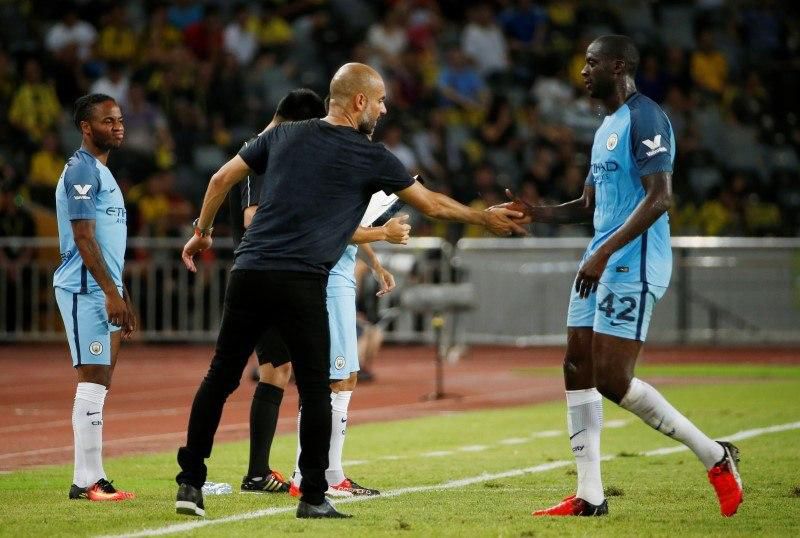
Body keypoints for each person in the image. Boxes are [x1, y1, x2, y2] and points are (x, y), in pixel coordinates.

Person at [176, 62, 525, 520]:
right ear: (358, 101)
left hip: (249, 271)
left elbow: (220, 180)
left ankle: (190, 484)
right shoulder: (369, 154)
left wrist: (201, 231)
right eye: (379, 100)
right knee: (317, 389)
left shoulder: (280, 136)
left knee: (219, 378)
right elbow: (433, 204)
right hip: (301, 278)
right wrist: (483, 218)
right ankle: (314, 496)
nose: (384, 108)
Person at [502, 35, 743, 517]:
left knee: (613, 378)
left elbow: (660, 198)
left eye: (591, 62)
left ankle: (715, 455)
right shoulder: (604, 125)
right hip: (601, 257)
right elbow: (590, 205)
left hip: (632, 260)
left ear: (618, 66)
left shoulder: (645, 116)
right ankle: (590, 495)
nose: (583, 71)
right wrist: (534, 214)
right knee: (576, 366)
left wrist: (603, 253)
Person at [227, 89, 409, 496]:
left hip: (284, 271)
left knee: (287, 372)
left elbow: (333, 215)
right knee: (312, 377)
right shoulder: (266, 153)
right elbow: (258, 217)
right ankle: (303, 475)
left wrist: (375, 261)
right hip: (279, 272)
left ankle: (283, 472)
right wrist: (378, 233)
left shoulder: (285, 154)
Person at [54, 94, 137, 501]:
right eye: (108, 121)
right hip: (84, 288)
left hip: (101, 289)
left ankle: (92, 477)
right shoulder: (81, 170)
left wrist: (123, 292)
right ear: (87, 127)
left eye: (119, 120)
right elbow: (84, 237)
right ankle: (86, 481)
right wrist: (109, 291)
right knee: (92, 379)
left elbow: (106, 241)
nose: (118, 126)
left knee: (100, 382)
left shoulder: (103, 172)